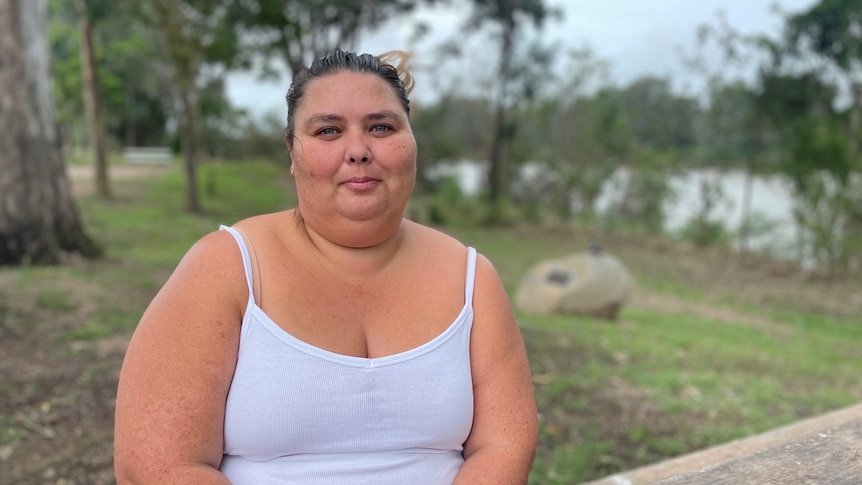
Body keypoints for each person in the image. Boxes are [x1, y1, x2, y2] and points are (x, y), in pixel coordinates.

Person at [113, 49, 538, 484]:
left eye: (380, 127)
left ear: (412, 143)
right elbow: (157, 465)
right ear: (292, 153)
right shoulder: (227, 267)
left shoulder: (472, 279)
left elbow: (503, 447)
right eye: (328, 130)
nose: (358, 150)